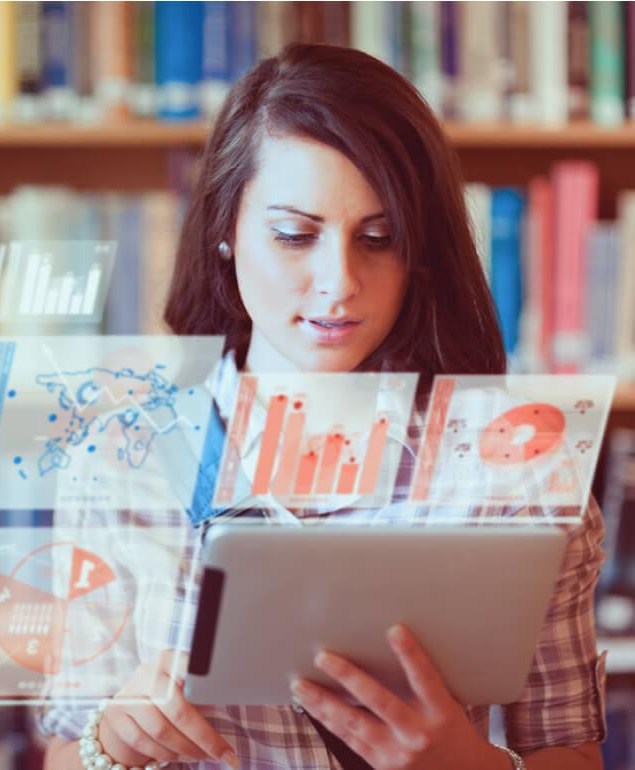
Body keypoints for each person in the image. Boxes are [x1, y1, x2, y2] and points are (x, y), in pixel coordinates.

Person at [39, 43, 606, 770]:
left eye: (380, 238)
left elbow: (568, 751)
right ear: (225, 229)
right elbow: (66, 751)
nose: (338, 283)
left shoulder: (522, 471)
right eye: (293, 236)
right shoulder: (120, 460)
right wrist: (111, 740)